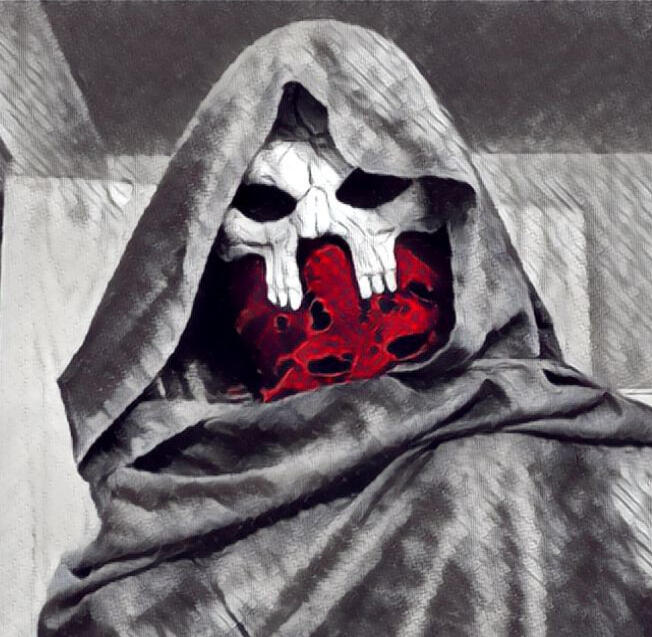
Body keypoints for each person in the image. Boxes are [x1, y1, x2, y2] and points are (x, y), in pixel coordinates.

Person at [40, 20, 652, 636]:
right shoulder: (141, 574)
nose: (317, 234)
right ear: (207, 250)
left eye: (370, 186)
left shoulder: (600, 481)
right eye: (266, 204)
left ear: (447, 217)